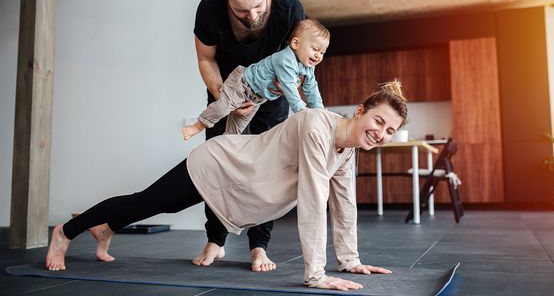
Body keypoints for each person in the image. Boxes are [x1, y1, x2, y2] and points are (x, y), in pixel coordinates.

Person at [45, 80, 408, 291]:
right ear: (360, 111)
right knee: (149, 202)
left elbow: (344, 206)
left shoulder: (347, 151)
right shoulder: (318, 125)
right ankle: (66, 231)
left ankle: (106, 228)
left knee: (161, 205)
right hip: (221, 164)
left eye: (390, 131)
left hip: (242, 184)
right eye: (379, 121)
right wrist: (315, 274)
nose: (381, 134)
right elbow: (313, 200)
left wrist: (350, 261)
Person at [193, 0, 305, 271]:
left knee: (267, 171)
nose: (252, 16)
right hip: (226, 94)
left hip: (272, 100)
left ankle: (259, 247)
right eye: (241, 11)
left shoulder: (289, 7)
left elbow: (300, 64)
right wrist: (225, 98)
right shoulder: (210, 8)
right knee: (216, 166)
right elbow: (206, 58)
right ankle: (215, 241)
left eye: (258, 6)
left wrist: (273, 92)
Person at [182, 18, 328, 140]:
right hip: (242, 83)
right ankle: (198, 126)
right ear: (296, 44)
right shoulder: (284, 60)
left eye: (322, 52)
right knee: (223, 107)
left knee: (238, 128)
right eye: (315, 49)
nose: (318, 56)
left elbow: (312, 89)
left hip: (256, 98)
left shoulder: (308, 68)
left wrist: (320, 111)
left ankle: (225, 144)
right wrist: (300, 109)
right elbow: (289, 86)